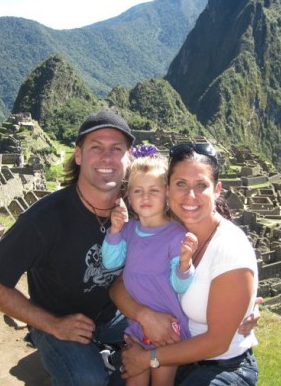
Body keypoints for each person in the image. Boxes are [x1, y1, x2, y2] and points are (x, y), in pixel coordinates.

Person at [0, 108, 136, 386]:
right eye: (96, 147)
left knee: (172, 344)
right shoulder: (45, 219)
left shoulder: (136, 207)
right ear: (78, 155)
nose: (107, 157)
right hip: (57, 319)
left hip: (114, 316)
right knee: (88, 379)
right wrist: (52, 325)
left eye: (116, 149)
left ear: (127, 158)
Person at [111, 143, 259, 385]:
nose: (190, 196)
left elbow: (217, 342)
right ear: (167, 189)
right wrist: (145, 317)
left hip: (222, 366)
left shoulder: (230, 249)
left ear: (217, 190)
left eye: (201, 185)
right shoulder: (164, 232)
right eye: (181, 184)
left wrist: (149, 359)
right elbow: (119, 286)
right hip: (170, 351)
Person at [101, 149, 198, 385]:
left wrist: (185, 264)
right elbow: (110, 262)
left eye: (153, 191)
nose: (145, 197)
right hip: (137, 324)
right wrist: (113, 232)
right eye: (138, 191)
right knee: (135, 379)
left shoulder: (175, 235)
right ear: (129, 197)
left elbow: (180, 284)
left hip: (167, 328)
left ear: (166, 194)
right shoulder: (128, 229)